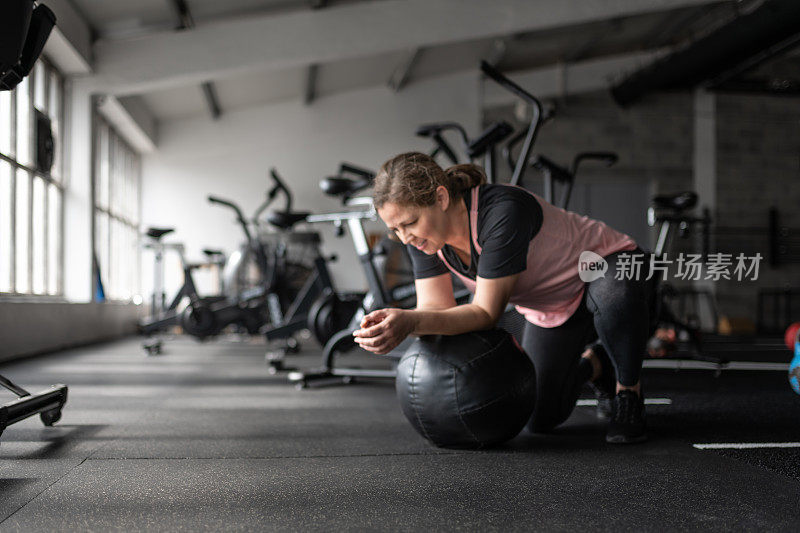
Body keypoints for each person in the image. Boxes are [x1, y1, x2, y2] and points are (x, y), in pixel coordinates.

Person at [353, 152, 655, 444]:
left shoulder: (501, 211)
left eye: (409, 223)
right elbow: (436, 309)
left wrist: (409, 322)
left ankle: (628, 391)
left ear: (441, 198)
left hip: (609, 265)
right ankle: (599, 362)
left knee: (616, 292)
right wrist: (403, 322)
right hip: (554, 306)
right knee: (538, 416)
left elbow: (486, 314)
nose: (405, 237)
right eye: (394, 230)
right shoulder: (425, 240)